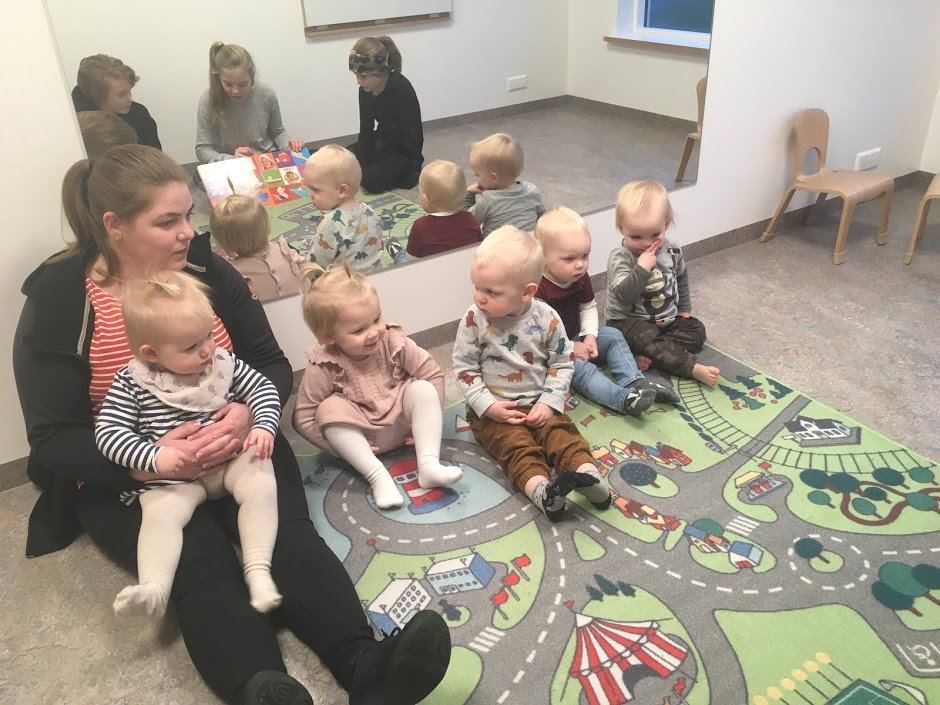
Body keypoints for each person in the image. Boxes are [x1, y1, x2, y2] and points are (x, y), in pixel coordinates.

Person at [13, 144, 451, 705]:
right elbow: (51, 439)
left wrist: (247, 412)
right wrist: (148, 461)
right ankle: (260, 690)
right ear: (114, 226)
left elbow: (268, 362)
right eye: (167, 222)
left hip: (240, 447)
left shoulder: (204, 269)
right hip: (132, 470)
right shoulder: (59, 298)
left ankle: (367, 668)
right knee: (200, 564)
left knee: (286, 537)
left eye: (187, 216)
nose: (187, 233)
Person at [95, 271, 282, 619]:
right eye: (191, 347)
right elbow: (108, 434)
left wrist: (264, 426)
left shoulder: (221, 362)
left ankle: (258, 569)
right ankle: (154, 589)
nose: (208, 349)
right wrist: (154, 456)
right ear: (151, 353)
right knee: (160, 515)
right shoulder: (132, 383)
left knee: (261, 482)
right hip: (175, 478)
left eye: (208, 335)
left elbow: (263, 389)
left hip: (230, 460)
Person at [452, 227, 612, 521]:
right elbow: (465, 368)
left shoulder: (547, 317)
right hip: (495, 411)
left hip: (540, 402)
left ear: (527, 292)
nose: (480, 298)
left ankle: (590, 477)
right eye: (477, 287)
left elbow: (562, 362)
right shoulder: (474, 319)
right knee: (516, 448)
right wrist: (488, 406)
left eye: (491, 292)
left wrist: (549, 402)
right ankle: (543, 492)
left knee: (563, 437)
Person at [292, 263, 462, 510]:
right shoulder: (324, 364)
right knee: (327, 409)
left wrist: (424, 423)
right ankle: (378, 477)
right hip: (362, 441)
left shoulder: (393, 341)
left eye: (376, 319)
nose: (373, 332)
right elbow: (303, 418)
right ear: (328, 337)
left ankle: (429, 464)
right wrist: (337, 448)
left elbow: (432, 373)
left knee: (423, 389)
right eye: (359, 330)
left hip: (402, 427)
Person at [534, 207, 680, 416]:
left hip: (575, 337)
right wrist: (569, 347)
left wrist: (590, 336)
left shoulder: (580, 277)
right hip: (549, 352)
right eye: (569, 259)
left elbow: (587, 306)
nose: (580, 265)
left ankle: (635, 382)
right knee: (581, 369)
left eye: (585, 255)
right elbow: (537, 334)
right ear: (543, 257)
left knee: (612, 335)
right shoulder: (537, 288)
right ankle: (622, 399)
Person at [606, 180, 720, 387]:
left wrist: (684, 308)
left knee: (697, 331)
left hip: (666, 321)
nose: (646, 243)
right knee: (641, 335)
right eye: (636, 237)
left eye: (655, 235)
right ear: (620, 228)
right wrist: (641, 269)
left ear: (665, 224)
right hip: (629, 323)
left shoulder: (672, 249)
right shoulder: (620, 257)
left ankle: (648, 352)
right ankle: (689, 367)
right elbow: (623, 296)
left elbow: (681, 276)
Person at [196, 42, 304, 163]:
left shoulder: (267, 94)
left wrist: (287, 145)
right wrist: (232, 159)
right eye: (228, 84)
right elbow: (202, 149)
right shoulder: (208, 100)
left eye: (242, 84)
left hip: (266, 158)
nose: (235, 91)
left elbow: (277, 132)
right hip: (230, 162)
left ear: (252, 76)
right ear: (219, 78)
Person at [347, 36, 423, 193]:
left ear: (380, 71)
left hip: (402, 153)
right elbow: (366, 130)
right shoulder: (364, 91)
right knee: (344, 159)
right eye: (356, 76)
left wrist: (412, 168)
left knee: (370, 180)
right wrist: (362, 162)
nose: (358, 81)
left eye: (363, 76)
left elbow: (413, 136)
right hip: (382, 142)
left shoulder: (401, 88)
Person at [302, 144, 385, 272]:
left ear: (342, 191)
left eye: (316, 190)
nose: (310, 195)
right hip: (376, 276)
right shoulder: (368, 209)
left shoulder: (330, 222)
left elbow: (317, 264)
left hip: (344, 282)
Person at [211, 194, 304, 301]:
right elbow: (309, 271)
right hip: (304, 305)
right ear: (268, 227)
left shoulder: (230, 272)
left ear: (224, 243)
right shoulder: (285, 250)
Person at [71, 54, 161, 149]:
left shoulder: (140, 116)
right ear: (99, 95)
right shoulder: (78, 125)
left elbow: (154, 153)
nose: (130, 99)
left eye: (129, 91)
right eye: (121, 95)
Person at [463, 132, 546, 237]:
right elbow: (543, 219)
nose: (477, 179)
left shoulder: (489, 200)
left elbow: (467, 222)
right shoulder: (532, 190)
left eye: (477, 175)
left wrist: (469, 194)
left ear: (494, 178)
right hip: (529, 244)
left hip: (499, 246)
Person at [407, 160, 482, 258]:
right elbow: (479, 246)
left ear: (425, 199)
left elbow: (411, 260)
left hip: (434, 268)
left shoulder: (420, 226)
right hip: (464, 265)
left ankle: (397, 253)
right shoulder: (470, 218)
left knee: (401, 259)